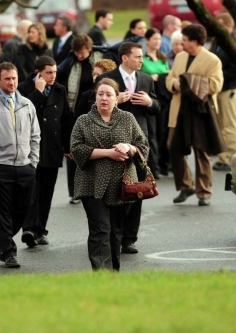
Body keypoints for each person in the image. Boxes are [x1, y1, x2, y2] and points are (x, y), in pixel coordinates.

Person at [70, 78, 148, 271]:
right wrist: (108, 153)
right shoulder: (84, 121)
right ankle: (101, 275)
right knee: (100, 230)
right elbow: (76, 149)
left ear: (116, 98)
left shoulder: (127, 118)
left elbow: (143, 146)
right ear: (95, 97)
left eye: (109, 94)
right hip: (92, 184)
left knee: (115, 232)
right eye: (100, 94)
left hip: (122, 185)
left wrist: (129, 147)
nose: (104, 98)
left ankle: (113, 275)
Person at [95, 42, 160, 254]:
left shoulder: (146, 79)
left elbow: (158, 107)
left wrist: (150, 102)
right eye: (138, 56)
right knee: (115, 190)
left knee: (137, 189)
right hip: (111, 143)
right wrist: (116, 101)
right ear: (125, 58)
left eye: (142, 57)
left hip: (138, 143)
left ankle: (129, 238)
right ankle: (113, 233)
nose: (142, 60)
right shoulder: (107, 78)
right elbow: (92, 105)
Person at [0, 62, 41, 268]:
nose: (12, 82)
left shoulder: (27, 104)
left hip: (25, 167)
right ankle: (8, 252)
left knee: (22, 209)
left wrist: (33, 162)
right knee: (2, 211)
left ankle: (0, 235)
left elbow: (35, 135)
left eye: (14, 78)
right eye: (7, 79)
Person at [166, 24, 224, 207]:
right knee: (173, 146)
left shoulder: (212, 60)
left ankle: (204, 191)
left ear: (195, 41)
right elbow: (171, 76)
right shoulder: (180, 56)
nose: (181, 43)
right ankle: (186, 186)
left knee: (202, 151)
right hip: (180, 109)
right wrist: (174, 83)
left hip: (200, 112)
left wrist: (190, 82)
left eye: (184, 40)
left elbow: (216, 85)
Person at [18, 56, 73, 247]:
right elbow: (23, 113)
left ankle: (40, 229)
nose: (53, 76)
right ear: (38, 73)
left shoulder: (59, 89)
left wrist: (68, 147)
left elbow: (66, 121)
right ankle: (29, 228)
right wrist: (38, 92)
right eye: (49, 72)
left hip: (52, 148)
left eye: (55, 72)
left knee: (46, 192)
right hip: (30, 149)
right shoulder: (24, 88)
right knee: (31, 190)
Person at [57, 33, 104, 204]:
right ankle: (74, 191)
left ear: (89, 49)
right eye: (76, 52)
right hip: (74, 109)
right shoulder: (71, 61)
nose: (79, 55)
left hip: (94, 107)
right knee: (74, 151)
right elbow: (59, 72)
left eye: (82, 52)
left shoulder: (98, 59)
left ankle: (95, 187)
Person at [210, 13, 236, 172]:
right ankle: (225, 157)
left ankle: (231, 158)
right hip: (222, 88)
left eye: (220, 24)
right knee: (223, 124)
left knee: (230, 125)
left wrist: (218, 78)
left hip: (230, 88)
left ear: (228, 25)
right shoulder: (221, 42)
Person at [141, 28, 170, 179]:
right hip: (150, 99)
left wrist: (160, 77)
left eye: (159, 39)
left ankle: (164, 163)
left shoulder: (163, 57)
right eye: (154, 39)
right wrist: (151, 77)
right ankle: (154, 167)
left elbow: (168, 75)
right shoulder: (143, 59)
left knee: (163, 132)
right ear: (147, 40)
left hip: (164, 100)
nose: (158, 42)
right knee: (152, 133)